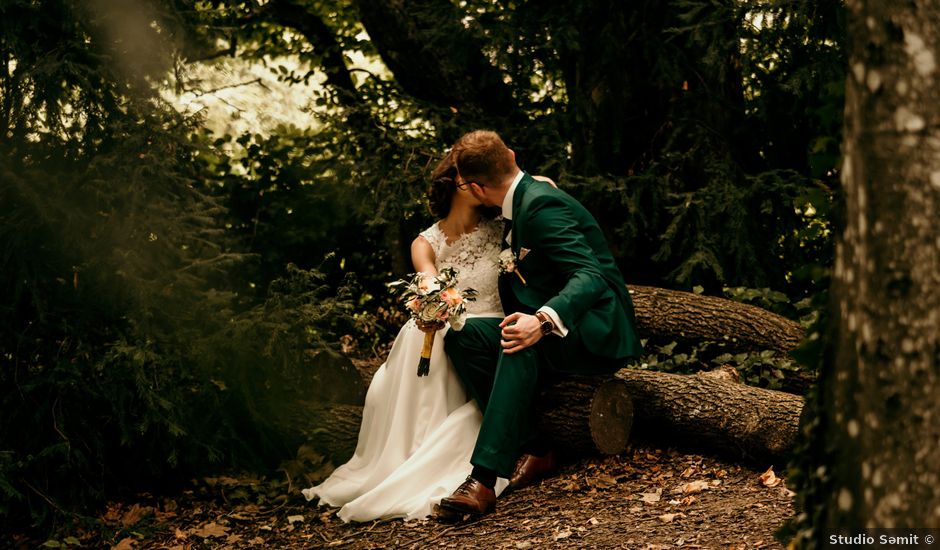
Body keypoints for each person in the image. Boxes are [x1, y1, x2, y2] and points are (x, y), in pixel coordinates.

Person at [302, 151, 555, 521]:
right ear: (455, 183)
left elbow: (542, 189)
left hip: (498, 328)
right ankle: (435, 454)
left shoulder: (501, 223)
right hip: (449, 323)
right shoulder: (427, 241)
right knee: (435, 342)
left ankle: (501, 449)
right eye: (468, 176)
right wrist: (434, 301)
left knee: (468, 338)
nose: (478, 181)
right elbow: (428, 280)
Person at [439, 130, 643, 517]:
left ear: (477, 188)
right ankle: (537, 446)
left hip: (597, 328)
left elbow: (590, 275)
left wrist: (543, 322)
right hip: (565, 324)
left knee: (520, 339)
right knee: (463, 335)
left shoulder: (541, 203)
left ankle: (483, 480)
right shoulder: (522, 200)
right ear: (511, 155)